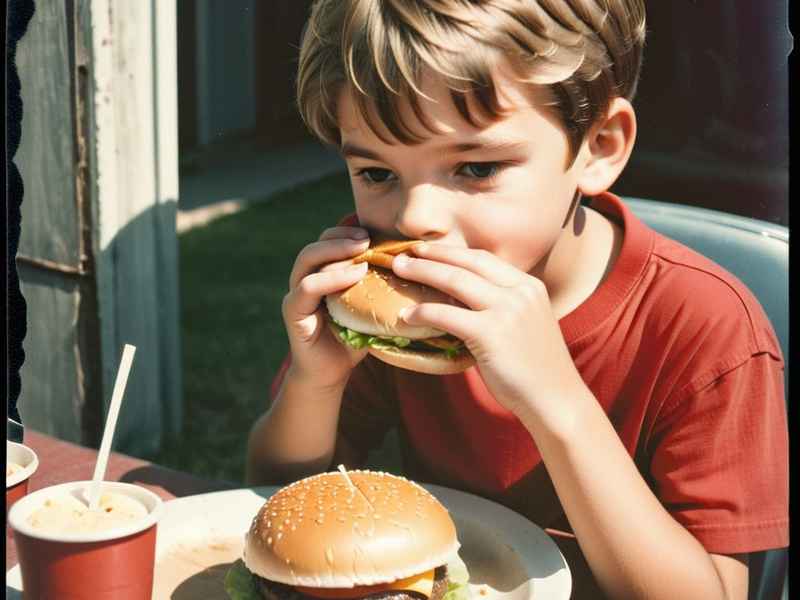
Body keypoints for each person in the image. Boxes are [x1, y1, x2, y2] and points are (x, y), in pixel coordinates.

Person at [246, 1, 788, 598]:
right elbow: (277, 501)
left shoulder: (704, 326)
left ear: (600, 146)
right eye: (378, 174)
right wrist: (315, 382)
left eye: (476, 169)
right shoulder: (394, 307)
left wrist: (558, 403)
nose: (415, 217)